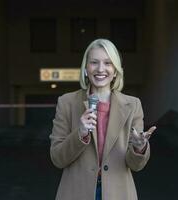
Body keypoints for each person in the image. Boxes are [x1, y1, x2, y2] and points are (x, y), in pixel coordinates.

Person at [49, 38, 156, 200]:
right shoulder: (67, 103)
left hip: (119, 194)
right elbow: (57, 158)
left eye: (108, 63)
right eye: (94, 62)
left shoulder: (133, 105)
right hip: (75, 192)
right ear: (86, 68)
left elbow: (136, 165)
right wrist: (80, 133)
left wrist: (139, 148)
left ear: (115, 70)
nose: (100, 69)